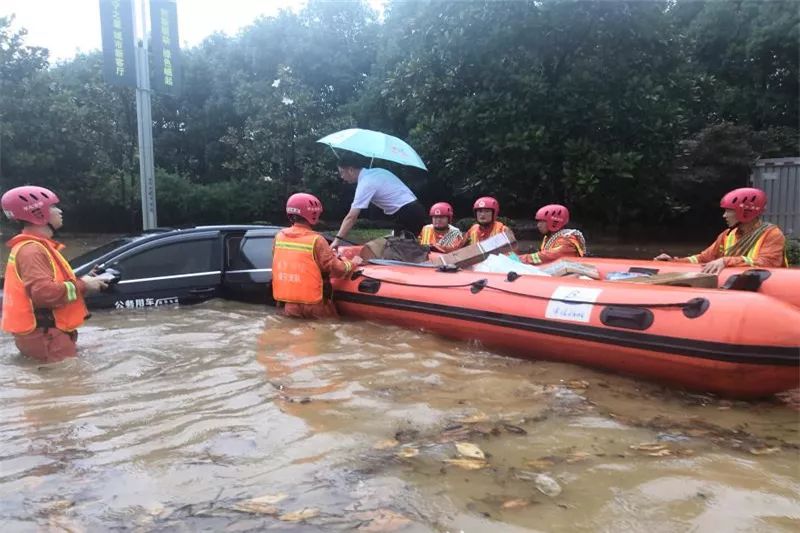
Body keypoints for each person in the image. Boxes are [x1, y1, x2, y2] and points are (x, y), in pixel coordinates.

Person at [1, 185, 107, 363]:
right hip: (47, 337)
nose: (59, 211)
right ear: (38, 213)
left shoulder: (37, 247)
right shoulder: (32, 251)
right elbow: (44, 293)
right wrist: (85, 285)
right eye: (53, 207)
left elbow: (53, 284)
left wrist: (86, 279)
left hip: (46, 335)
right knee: (68, 387)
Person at [654, 187, 788, 274]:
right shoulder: (727, 235)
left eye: (729, 211)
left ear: (745, 211)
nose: (724, 216)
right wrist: (674, 262)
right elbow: (703, 258)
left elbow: (766, 263)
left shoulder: (772, 234)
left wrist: (725, 261)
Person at [272, 193, 363, 319]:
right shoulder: (316, 240)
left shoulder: (279, 237)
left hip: (288, 304)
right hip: (315, 304)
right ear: (313, 214)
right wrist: (353, 263)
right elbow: (337, 269)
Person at [330, 153, 427, 248]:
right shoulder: (377, 171)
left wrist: (337, 240)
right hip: (412, 210)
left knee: (400, 251)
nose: (342, 177)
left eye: (342, 172)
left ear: (350, 170)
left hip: (408, 214)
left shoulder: (365, 183)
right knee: (396, 248)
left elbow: (351, 217)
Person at [520, 204, 587, 265]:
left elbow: (548, 256)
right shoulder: (549, 238)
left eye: (542, 221)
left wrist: (523, 258)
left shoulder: (567, 240)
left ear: (554, 222)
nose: (538, 225)